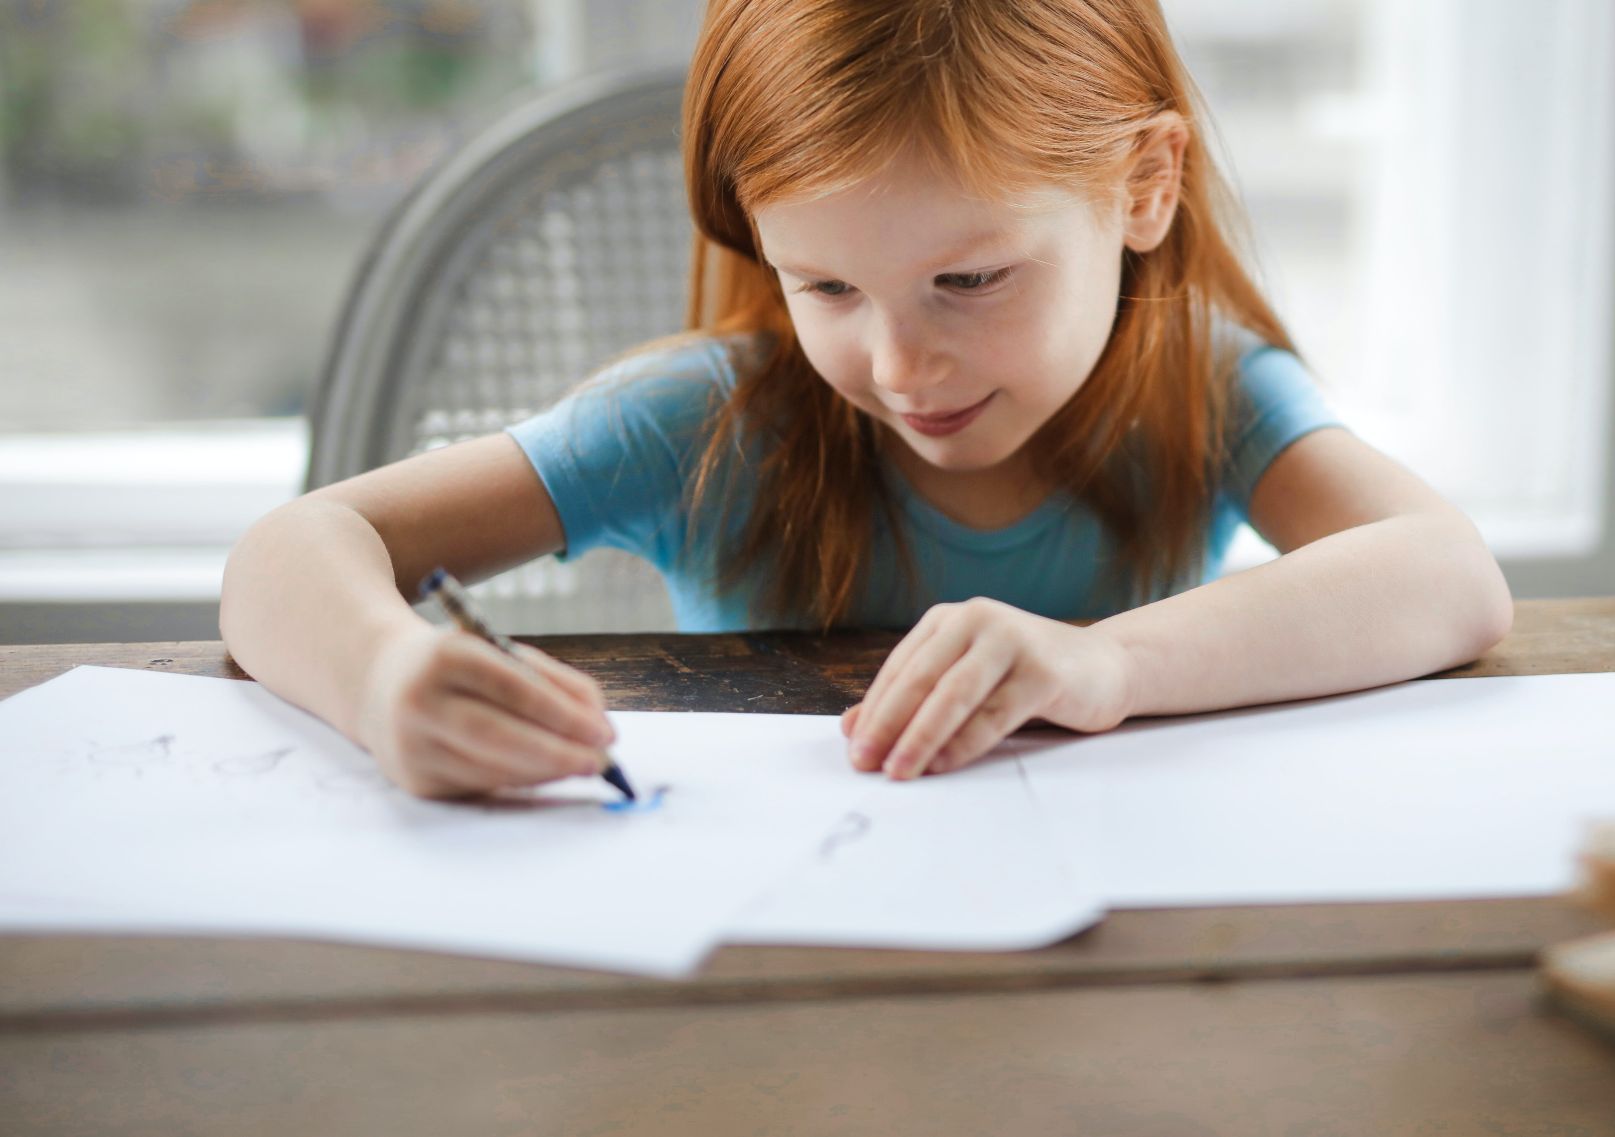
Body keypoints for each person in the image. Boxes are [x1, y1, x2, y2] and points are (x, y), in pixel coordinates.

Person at [221, 0, 1513, 799]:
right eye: (826, 284)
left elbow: (1449, 574)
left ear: (1142, 186)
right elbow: (293, 549)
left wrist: (1108, 660)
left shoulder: (1203, 384)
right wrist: (383, 676)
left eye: (967, 277)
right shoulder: (702, 421)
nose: (898, 366)